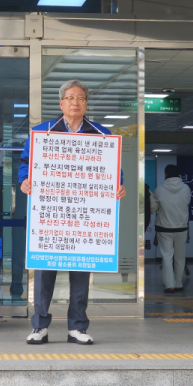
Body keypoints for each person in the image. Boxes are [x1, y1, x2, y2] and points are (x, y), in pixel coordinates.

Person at [19, 79, 126, 345]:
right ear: (61, 103)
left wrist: (118, 185)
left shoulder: (101, 134)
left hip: (84, 218)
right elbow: (25, 163)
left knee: (81, 271)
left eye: (80, 98)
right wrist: (24, 180)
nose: (75, 102)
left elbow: (113, 168)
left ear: (86, 103)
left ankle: (77, 327)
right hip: (51, 214)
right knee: (44, 271)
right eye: (70, 98)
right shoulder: (42, 132)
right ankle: (39, 326)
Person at [153, 164, 191, 294]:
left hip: (164, 228)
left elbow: (156, 207)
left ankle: (170, 285)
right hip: (181, 227)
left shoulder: (159, 189)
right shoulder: (186, 188)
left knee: (167, 256)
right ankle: (179, 283)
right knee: (180, 257)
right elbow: (186, 203)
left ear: (166, 174)